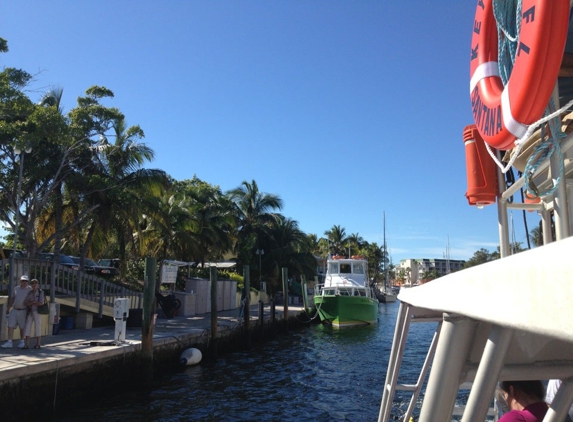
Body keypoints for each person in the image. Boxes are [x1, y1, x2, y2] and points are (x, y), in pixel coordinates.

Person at [2, 275, 32, 349]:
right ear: (20, 281)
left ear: (27, 282)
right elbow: (13, 298)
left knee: (22, 327)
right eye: (23, 281)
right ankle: (9, 342)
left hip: (23, 310)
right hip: (15, 309)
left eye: (25, 281)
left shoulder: (29, 289)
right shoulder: (16, 288)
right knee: (10, 325)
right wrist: (8, 308)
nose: (24, 282)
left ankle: (22, 341)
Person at [23, 279, 44, 349]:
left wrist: (32, 302)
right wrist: (33, 302)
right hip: (30, 311)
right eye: (32, 283)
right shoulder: (30, 293)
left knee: (37, 327)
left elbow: (40, 303)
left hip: (37, 311)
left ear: (37, 284)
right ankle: (26, 344)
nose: (34, 284)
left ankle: (38, 344)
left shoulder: (40, 292)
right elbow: (25, 302)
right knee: (27, 327)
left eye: (35, 283)